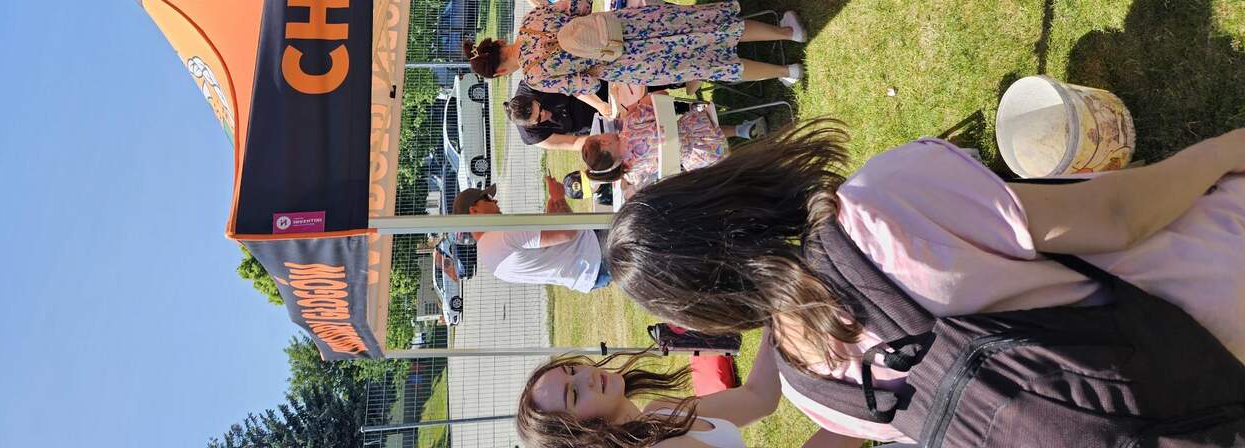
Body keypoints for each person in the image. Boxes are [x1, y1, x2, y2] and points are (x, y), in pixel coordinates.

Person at [603, 123, 1245, 443]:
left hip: (1201, 403)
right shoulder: (881, 206)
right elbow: (1119, 217)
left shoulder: (811, 393)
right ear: (712, 191)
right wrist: (1224, 150)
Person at [463, 0, 806, 91]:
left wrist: (589, 65)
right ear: (499, 43)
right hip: (627, 25)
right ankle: (788, 33)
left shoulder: (535, 77)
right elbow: (582, 3)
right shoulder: (531, 21)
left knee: (708, 66)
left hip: (625, 61)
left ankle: (786, 71)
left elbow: (588, 84)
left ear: (501, 71)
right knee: (710, 27)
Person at [515, 332, 785, 448]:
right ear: (580, 438)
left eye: (573, 370)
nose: (587, 376)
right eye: (574, 394)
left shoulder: (658, 412)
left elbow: (758, 397)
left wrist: (780, 306)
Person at [452, 181, 612, 292]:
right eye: (487, 198)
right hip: (597, 251)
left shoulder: (487, 254)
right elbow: (568, 232)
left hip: (590, 273)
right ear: (474, 210)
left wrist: (551, 214)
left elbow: (544, 253)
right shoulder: (502, 235)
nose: (495, 200)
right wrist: (559, 198)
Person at [581, 96, 753, 195]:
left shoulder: (633, 174)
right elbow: (660, 96)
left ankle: (746, 159)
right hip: (700, 128)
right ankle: (742, 130)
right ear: (604, 142)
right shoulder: (630, 124)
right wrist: (634, 107)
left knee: (684, 137)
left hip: (701, 159)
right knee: (688, 129)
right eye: (600, 135)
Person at [507, 80, 608, 151]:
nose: (544, 113)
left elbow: (573, 84)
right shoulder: (532, 135)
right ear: (531, 125)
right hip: (584, 121)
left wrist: (599, 105)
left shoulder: (532, 84)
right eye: (538, 118)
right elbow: (574, 143)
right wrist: (601, 141)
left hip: (587, 92)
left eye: (539, 107)